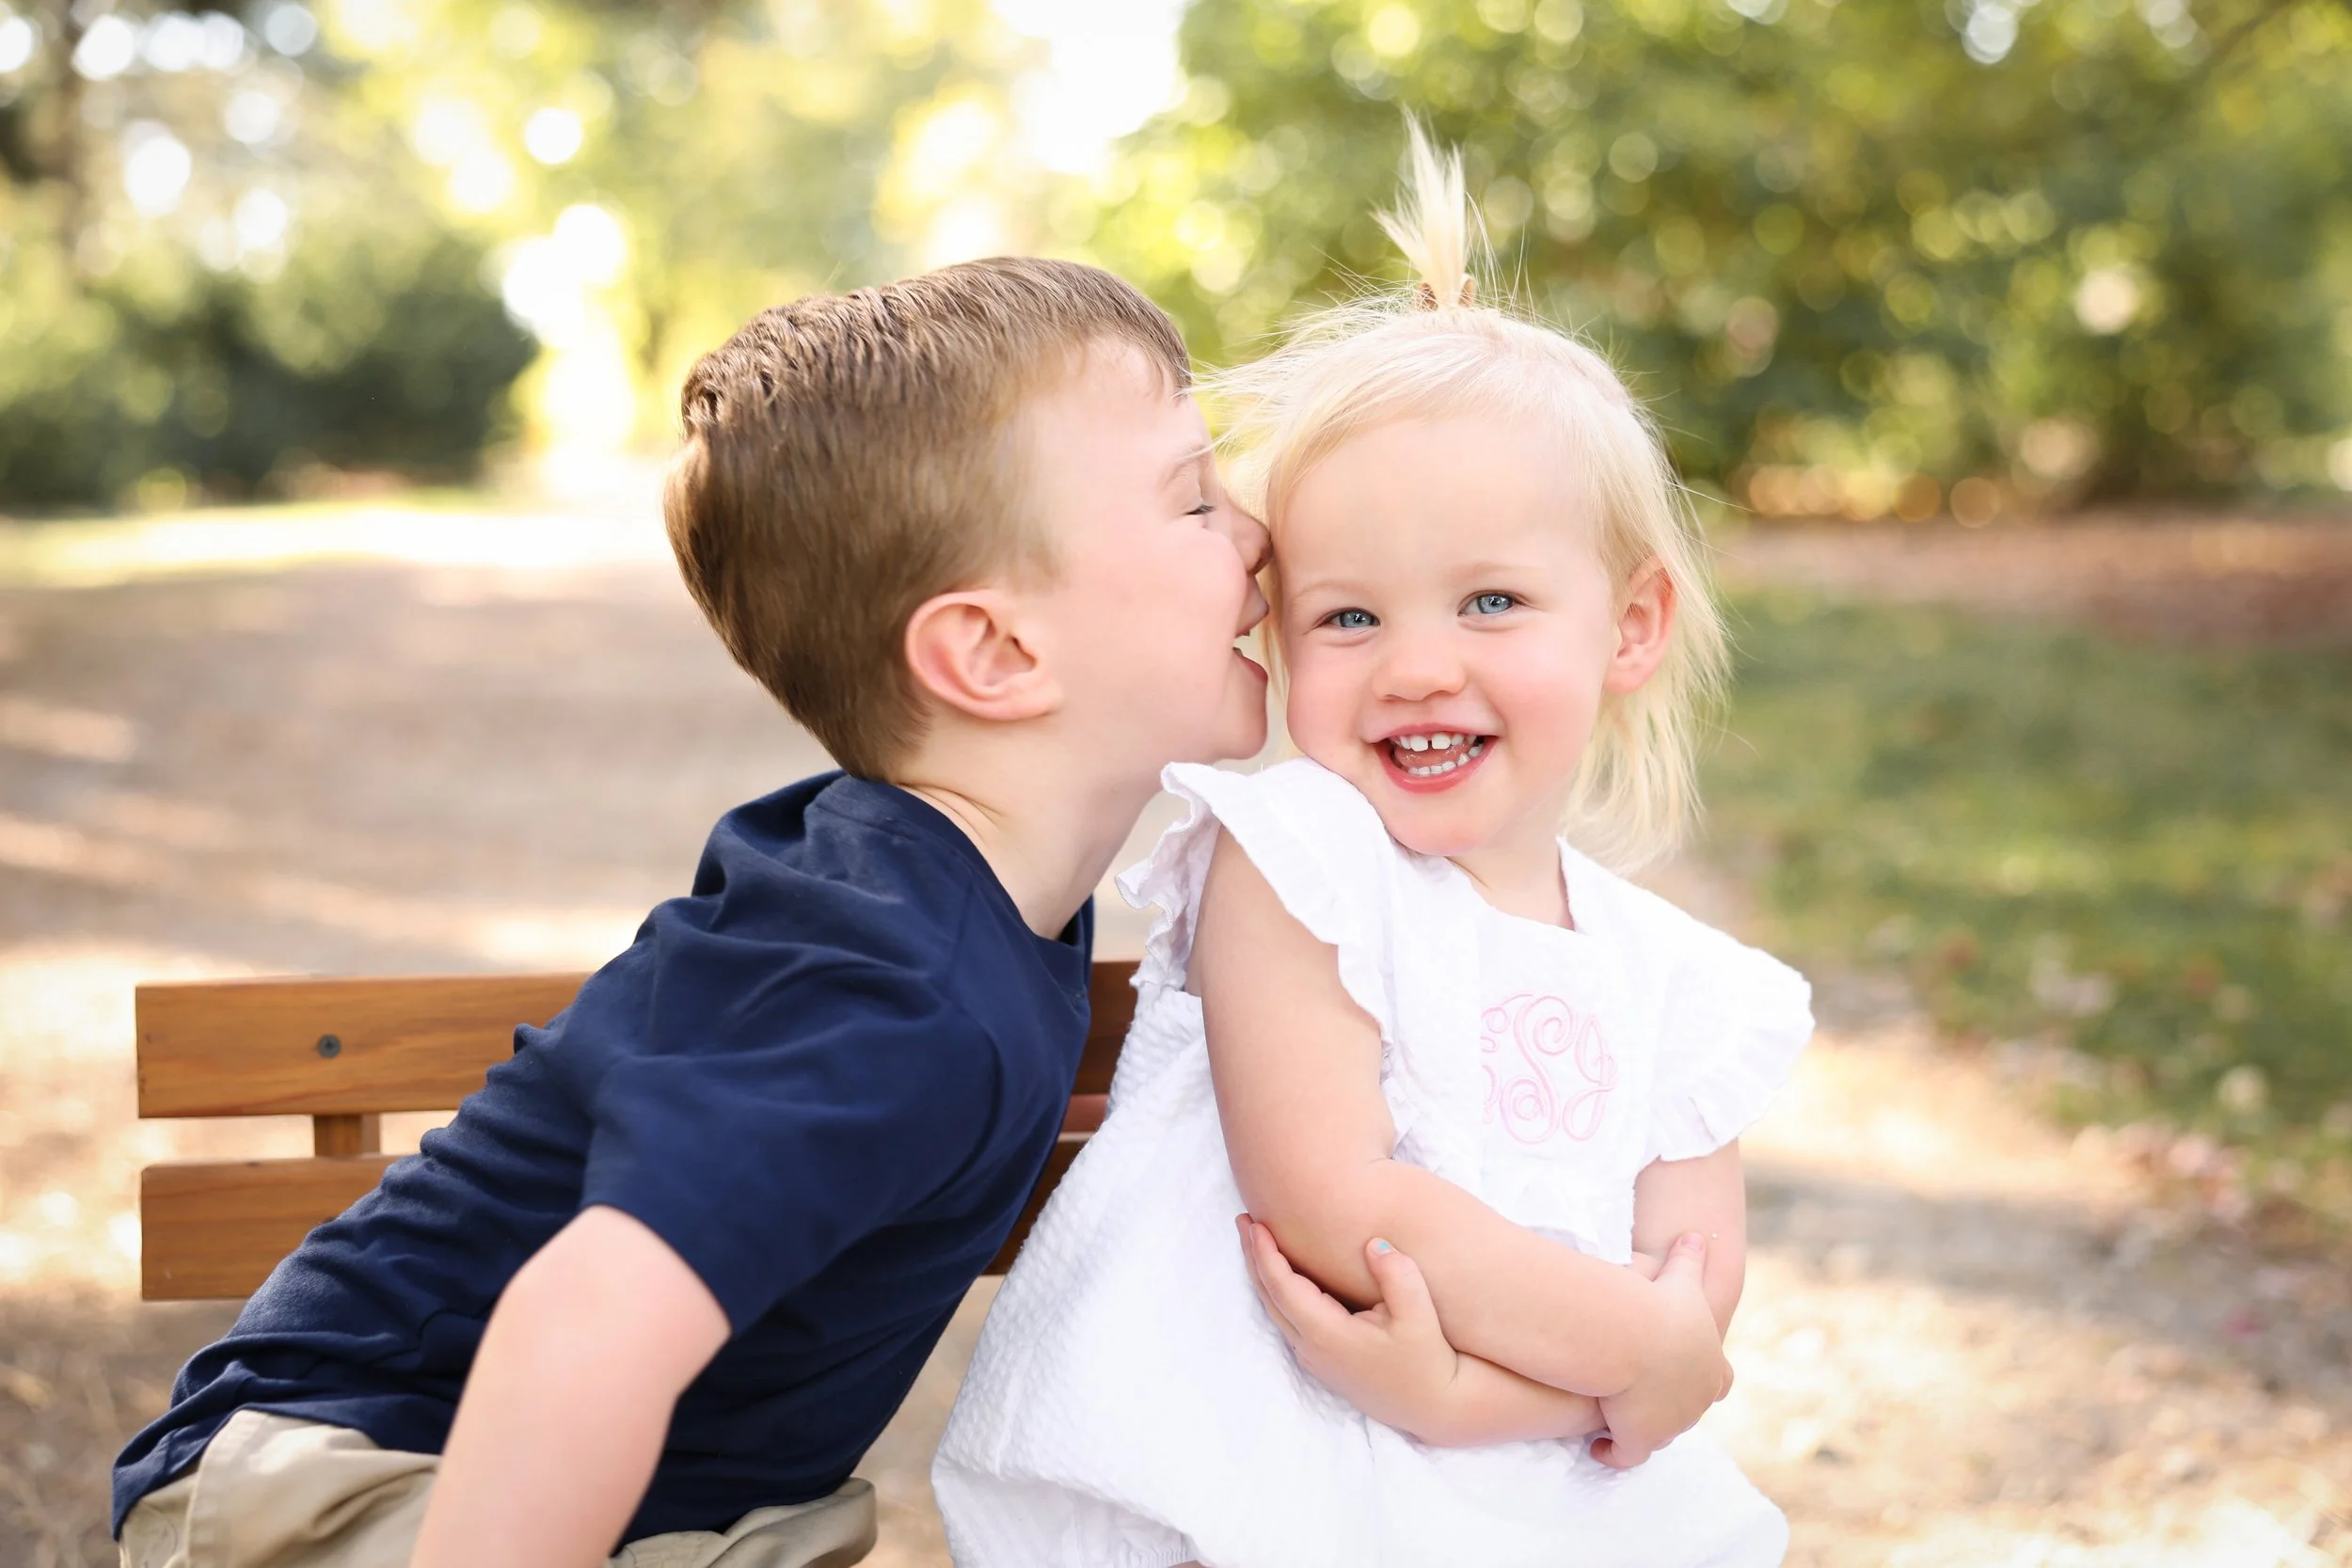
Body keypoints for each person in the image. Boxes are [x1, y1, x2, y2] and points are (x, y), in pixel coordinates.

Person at [109, 256, 1274, 1568]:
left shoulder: (950, 899)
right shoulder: (885, 988)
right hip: (357, 1494)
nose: (1258, 533)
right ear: (995, 653)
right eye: (1195, 498)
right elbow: (581, 1326)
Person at [933, 129, 1812, 1568]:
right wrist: (1627, 1360)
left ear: (1632, 626)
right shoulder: (1300, 865)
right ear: (1279, 636)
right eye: (1349, 616)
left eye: (1490, 601)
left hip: (1544, 1499)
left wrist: (1477, 1400)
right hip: (1258, 1481)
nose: (1415, 666)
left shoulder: (1677, 982)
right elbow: (1336, 1204)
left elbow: (1689, 1307)